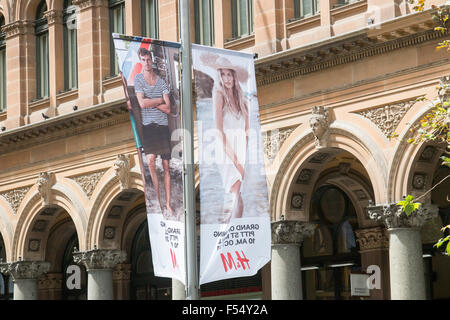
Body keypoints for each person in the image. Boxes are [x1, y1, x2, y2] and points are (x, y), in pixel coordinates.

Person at [202, 53, 250, 223]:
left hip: (241, 152)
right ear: (219, 76)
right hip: (225, 150)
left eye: (229, 74)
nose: (227, 78)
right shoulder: (218, 93)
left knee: (238, 199)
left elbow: (247, 132)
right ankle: (230, 233)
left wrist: (244, 157)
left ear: (234, 76)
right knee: (237, 195)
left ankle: (228, 227)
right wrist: (237, 161)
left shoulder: (242, 99)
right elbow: (218, 131)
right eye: (223, 74)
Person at [134, 47, 175, 217]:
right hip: (149, 126)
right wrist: (159, 100)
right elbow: (142, 104)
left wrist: (152, 101)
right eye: (143, 60)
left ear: (151, 60)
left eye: (148, 59)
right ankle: (158, 201)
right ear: (140, 61)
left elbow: (168, 108)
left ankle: (168, 204)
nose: (147, 63)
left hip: (162, 126)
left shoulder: (161, 82)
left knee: (166, 166)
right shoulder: (138, 80)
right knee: (150, 160)